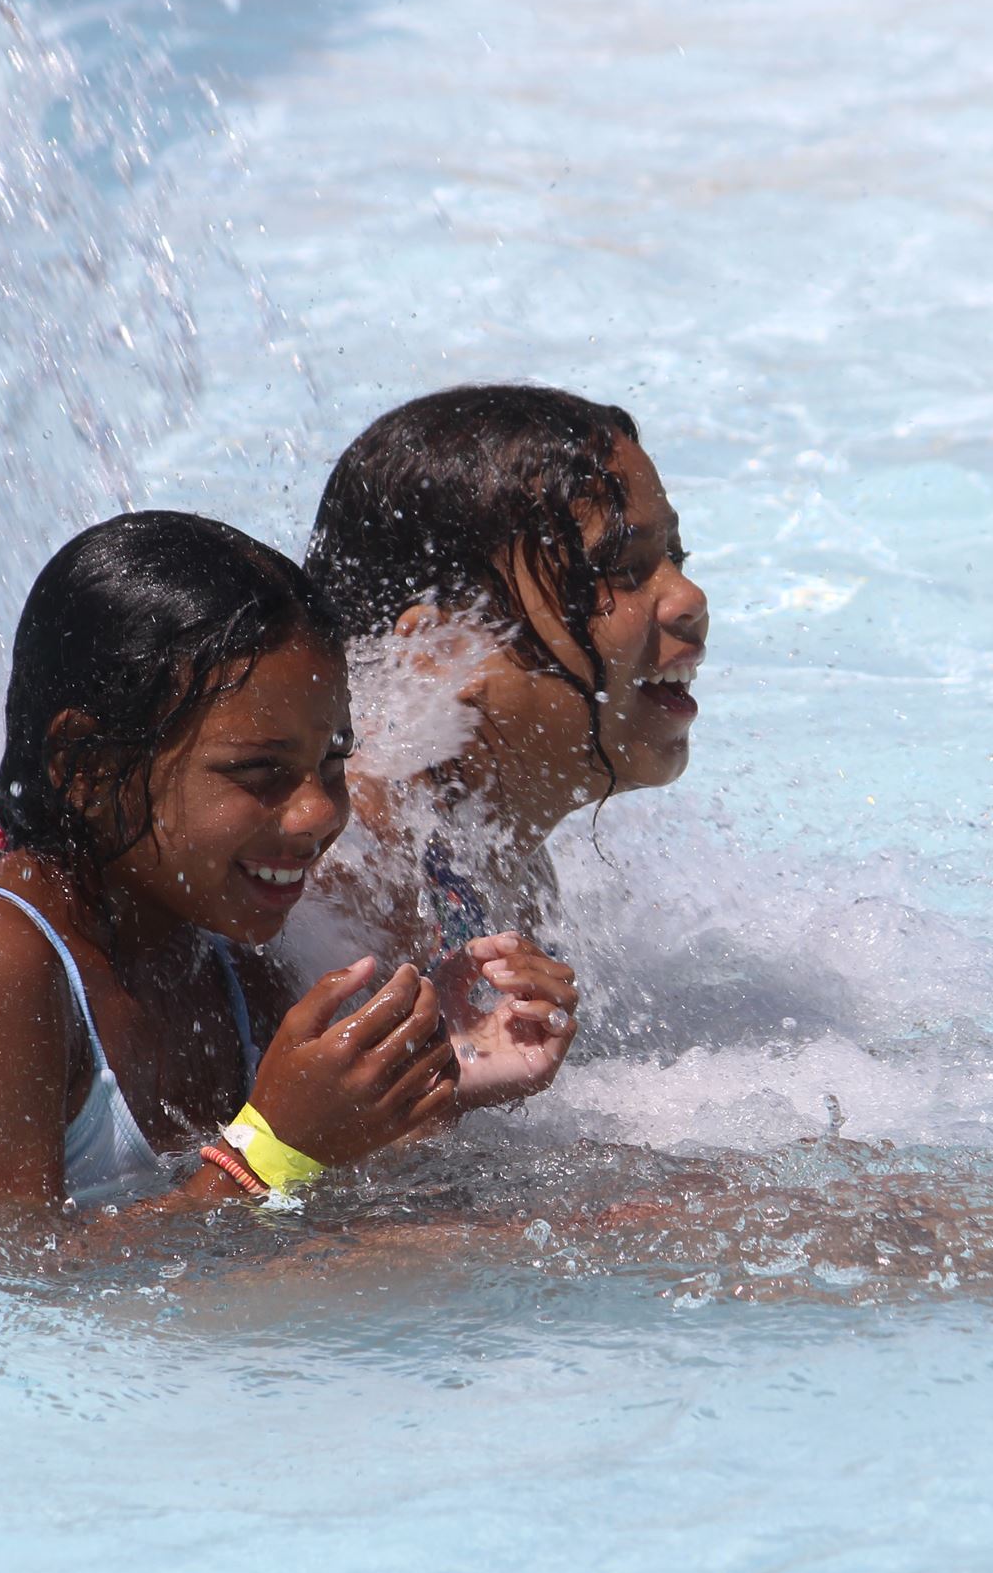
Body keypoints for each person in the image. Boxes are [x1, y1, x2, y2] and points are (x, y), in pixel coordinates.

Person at [0, 510, 544, 1213]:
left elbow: (279, 1194)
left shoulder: (226, 958)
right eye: (259, 770)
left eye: (332, 760)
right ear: (85, 766)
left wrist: (440, 1071)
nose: (321, 812)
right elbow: (2, 1286)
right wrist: (270, 1156)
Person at [299, 384, 708, 1068]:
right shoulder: (346, 883)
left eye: (676, 558)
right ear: (435, 655)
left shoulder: (478, 847)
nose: (690, 599)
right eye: (620, 568)